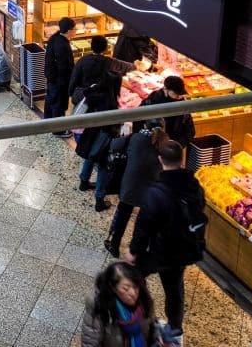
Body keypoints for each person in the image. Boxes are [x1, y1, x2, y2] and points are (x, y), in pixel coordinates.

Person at [125, 141, 207, 339]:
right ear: (183, 159)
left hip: (158, 249)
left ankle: (138, 320)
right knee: (174, 288)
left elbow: (144, 226)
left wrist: (134, 250)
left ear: (160, 159)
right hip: (182, 249)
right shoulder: (195, 186)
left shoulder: (156, 192)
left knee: (134, 278)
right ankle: (174, 328)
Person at [70, 36, 134, 211]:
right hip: (103, 136)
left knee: (90, 155)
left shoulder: (92, 89)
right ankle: (99, 199)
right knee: (103, 165)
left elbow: (74, 82)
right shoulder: (110, 101)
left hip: (88, 132)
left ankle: (83, 181)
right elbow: (126, 66)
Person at [105, 119, 167, 257]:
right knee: (142, 222)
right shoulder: (165, 145)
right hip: (151, 190)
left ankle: (114, 245)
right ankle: (135, 249)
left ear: (145, 125)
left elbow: (114, 145)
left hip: (130, 186)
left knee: (122, 217)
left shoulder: (136, 138)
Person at [81, 262, 160, 347]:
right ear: (113, 288)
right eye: (126, 289)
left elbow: (152, 325)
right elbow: (89, 343)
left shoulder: (143, 298)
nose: (133, 293)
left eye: (135, 286)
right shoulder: (99, 308)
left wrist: (160, 336)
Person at [140, 76, 196, 149]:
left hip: (174, 148)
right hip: (154, 148)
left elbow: (190, 131)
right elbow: (139, 126)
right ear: (165, 89)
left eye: (181, 94)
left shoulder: (182, 105)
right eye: (176, 93)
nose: (179, 96)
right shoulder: (150, 102)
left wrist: (177, 145)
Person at [44, 16, 76, 138]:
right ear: (69, 31)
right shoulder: (62, 45)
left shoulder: (55, 38)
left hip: (52, 77)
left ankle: (48, 121)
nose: (75, 31)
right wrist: (70, 79)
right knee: (59, 102)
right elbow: (64, 66)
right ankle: (58, 130)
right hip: (59, 80)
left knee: (51, 99)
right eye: (74, 29)